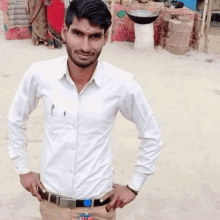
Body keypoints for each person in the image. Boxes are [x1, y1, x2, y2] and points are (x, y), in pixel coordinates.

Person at [7, 0, 162, 219]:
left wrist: (134, 186)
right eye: (78, 34)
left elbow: (152, 134)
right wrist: (22, 169)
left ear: (105, 38)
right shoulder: (40, 74)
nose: (85, 47)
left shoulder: (121, 83)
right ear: (64, 32)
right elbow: (15, 118)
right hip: (52, 207)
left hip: (98, 208)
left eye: (95, 36)